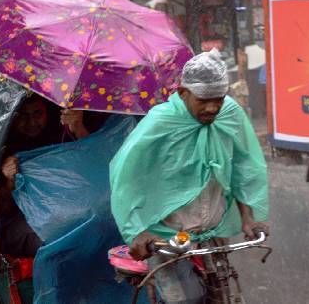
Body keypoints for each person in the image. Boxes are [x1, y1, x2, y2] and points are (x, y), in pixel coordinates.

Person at [110, 48, 269, 304]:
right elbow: (126, 177)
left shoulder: (229, 114)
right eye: (203, 100)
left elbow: (243, 166)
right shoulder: (161, 121)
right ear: (183, 93)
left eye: (218, 98)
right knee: (187, 300)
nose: (212, 107)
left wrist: (248, 217)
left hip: (213, 233)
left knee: (224, 295)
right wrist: (137, 231)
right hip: (168, 236)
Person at [0, 94, 110, 258]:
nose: (32, 123)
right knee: (57, 243)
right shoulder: (2, 147)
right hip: (21, 220)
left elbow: (96, 167)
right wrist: (9, 181)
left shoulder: (61, 132)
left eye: (37, 114)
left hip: (68, 209)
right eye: (23, 116)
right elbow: (1, 209)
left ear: (47, 112)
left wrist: (78, 127)